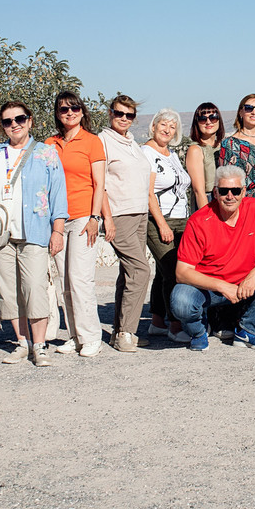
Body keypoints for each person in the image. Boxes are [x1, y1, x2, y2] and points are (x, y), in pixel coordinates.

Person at [0, 102, 69, 367]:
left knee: (35, 288)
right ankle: (22, 342)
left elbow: (58, 196)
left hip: (35, 231)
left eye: (20, 118)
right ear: (1, 126)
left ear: (30, 121)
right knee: (8, 290)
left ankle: (40, 346)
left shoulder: (46, 154)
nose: (14, 124)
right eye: (7, 121)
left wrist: (58, 231)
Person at [170, 165, 255, 352]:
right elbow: (182, 273)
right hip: (209, 288)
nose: (230, 196)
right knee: (181, 300)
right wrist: (222, 286)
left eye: (235, 190)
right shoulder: (198, 221)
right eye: (224, 191)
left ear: (243, 192)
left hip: (244, 284)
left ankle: (249, 330)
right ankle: (198, 331)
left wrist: (253, 276)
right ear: (215, 193)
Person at [46, 91, 107, 358]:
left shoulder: (92, 142)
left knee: (80, 279)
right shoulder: (50, 143)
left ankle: (92, 336)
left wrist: (96, 217)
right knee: (65, 281)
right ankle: (74, 335)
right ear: (58, 114)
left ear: (82, 111)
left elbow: (100, 183)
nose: (69, 113)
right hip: (58, 219)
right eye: (63, 109)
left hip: (84, 217)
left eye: (74, 108)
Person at [99, 95, 159, 353]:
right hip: (119, 214)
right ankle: (127, 332)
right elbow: (99, 183)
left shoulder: (131, 143)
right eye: (119, 113)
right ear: (110, 113)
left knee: (127, 274)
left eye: (129, 115)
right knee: (141, 270)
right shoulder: (102, 141)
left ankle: (118, 330)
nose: (124, 118)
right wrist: (107, 218)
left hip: (139, 213)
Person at [142, 108, 191, 343]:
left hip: (182, 218)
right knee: (173, 270)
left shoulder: (171, 154)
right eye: (163, 125)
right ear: (153, 126)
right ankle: (175, 324)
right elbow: (148, 192)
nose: (167, 130)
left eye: (172, 127)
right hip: (159, 220)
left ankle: (157, 322)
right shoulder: (147, 153)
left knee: (163, 272)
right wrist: (161, 224)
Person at [218, 94, 255, 202]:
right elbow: (225, 181)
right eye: (249, 108)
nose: (254, 112)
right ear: (241, 112)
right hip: (243, 202)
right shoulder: (230, 144)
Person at [185, 102, 223, 210]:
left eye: (213, 117)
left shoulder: (224, 147)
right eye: (202, 119)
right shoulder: (195, 150)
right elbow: (199, 191)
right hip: (207, 201)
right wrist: (206, 217)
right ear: (197, 123)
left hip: (226, 198)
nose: (208, 122)